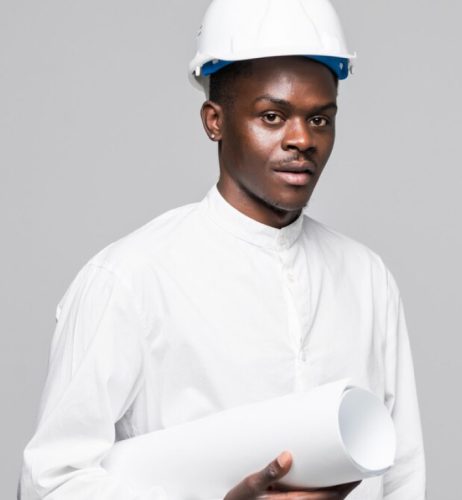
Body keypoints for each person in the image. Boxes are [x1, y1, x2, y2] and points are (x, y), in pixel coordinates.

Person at [19, 0, 426, 499]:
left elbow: (403, 476)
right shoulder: (131, 279)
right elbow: (49, 484)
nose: (302, 139)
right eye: (273, 116)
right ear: (214, 120)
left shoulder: (367, 278)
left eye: (320, 119)